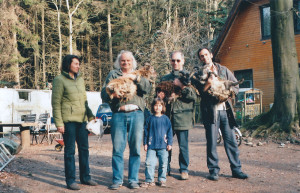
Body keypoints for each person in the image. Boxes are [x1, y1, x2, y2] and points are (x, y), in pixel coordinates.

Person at [101, 50, 152, 190]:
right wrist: (112, 93)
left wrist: (136, 79)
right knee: (118, 149)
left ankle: (133, 180)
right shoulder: (113, 74)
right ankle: (117, 180)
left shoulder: (139, 74)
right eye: (123, 60)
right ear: (119, 62)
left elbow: (148, 89)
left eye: (128, 60)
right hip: (119, 114)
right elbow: (103, 94)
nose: (126, 63)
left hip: (137, 114)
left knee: (135, 148)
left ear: (132, 62)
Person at [196, 48, 249, 181]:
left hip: (226, 111)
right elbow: (199, 93)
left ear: (211, 55)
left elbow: (236, 86)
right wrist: (208, 84)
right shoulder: (198, 73)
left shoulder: (224, 70)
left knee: (231, 141)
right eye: (201, 56)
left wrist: (228, 93)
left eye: (206, 55)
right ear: (200, 59)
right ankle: (213, 171)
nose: (204, 58)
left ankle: (236, 170)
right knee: (212, 142)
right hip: (211, 112)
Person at [52, 55, 97, 190]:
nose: (78, 66)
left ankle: (86, 177)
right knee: (70, 151)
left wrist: (90, 116)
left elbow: (85, 101)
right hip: (68, 122)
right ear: (68, 65)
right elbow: (56, 103)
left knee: (84, 150)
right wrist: (59, 123)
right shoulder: (59, 80)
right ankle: (70, 180)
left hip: (82, 121)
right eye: (76, 64)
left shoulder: (81, 80)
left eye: (79, 64)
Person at [161, 51, 197, 180]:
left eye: (178, 60)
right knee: (165, 145)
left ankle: (184, 169)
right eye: (173, 60)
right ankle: (165, 168)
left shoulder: (191, 78)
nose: (175, 63)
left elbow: (194, 97)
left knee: (183, 146)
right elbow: (158, 98)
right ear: (170, 61)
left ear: (183, 61)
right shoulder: (165, 78)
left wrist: (181, 86)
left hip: (183, 117)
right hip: (167, 117)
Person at [141, 98, 173, 188]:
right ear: (153, 106)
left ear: (162, 107)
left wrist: (169, 143)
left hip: (163, 145)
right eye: (155, 105)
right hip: (151, 145)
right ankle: (149, 180)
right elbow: (146, 132)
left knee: (163, 163)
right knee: (149, 163)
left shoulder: (166, 119)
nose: (157, 107)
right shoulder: (149, 119)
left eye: (159, 105)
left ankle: (162, 179)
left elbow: (170, 132)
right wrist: (145, 143)